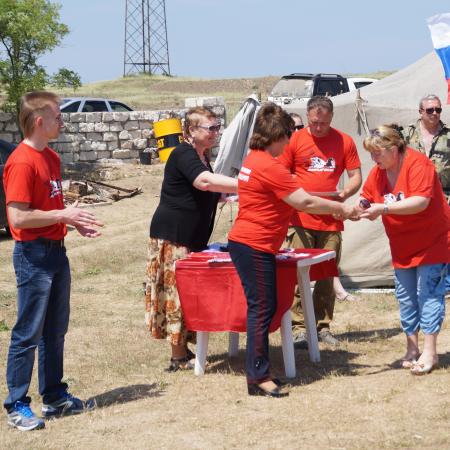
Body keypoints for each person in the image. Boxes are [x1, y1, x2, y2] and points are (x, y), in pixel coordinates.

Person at [228, 103, 354, 398]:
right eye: (288, 135)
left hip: (249, 243)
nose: (290, 142)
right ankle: (258, 376)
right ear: (278, 136)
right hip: (254, 244)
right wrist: (339, 208)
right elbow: (305, 202)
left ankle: (259, 372)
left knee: (264, 307)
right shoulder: (269, 166)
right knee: (262, 309)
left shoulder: (254, 159)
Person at [3, 91, 103, 431]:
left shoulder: (52, 158)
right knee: (27, 333)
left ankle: (54, 397)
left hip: (55, 252)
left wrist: (70, 222)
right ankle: (16, 404)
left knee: (55, 331)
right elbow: (17, 218)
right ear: (39, 121)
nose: (62, 121)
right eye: (58, 116)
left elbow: (47, 211)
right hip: (33, 255)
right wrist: (64, 214)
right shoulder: (21, 161)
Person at [146, 107, 238, 372]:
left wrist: (225, 197)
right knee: (177, 294)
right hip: (175, 236)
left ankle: (183, 348)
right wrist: (247, 183)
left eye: (217, 126)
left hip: (192, 237)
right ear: (191, 131)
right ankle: (178, 355)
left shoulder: (201, 155)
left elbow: (206, 191)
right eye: (210, 128)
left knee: (189, 293)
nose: (215, 132)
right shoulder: (183, 153)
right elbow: (204, 183)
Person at [358, 124, 449, 375]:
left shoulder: (419, 165)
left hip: (433, 241)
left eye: (378, 153)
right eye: (372, 154)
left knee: (428, 294)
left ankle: (430, 352)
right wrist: (361, 205)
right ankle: (411, 349)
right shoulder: (379, 171)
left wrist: (383, 209)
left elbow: (420, 202)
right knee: (406, 297)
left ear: (394, 148)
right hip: (402, 245)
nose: (374, 159)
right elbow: (368, 195)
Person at [279, 96, 362, 349]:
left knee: (327, 273)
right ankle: (298, 327)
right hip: (300, 217)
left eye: (323, 124)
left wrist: (345, 194)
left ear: (331, 118)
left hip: (331, 219)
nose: (318, 128)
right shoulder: (294, 140)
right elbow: (281, 173)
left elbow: (356, 175)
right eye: (314, 122)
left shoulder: (344, 141)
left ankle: (322, 325)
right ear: (307, 116)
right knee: (296, 272)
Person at [402, 94, 450, 296]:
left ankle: (445, 286)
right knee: (416, 241)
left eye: (438, 110)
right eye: (430, 110)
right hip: (414, 199)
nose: (435, 114)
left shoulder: (448, 135)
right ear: (420, 112)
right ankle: (417, 282)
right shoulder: (405, 135)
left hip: (444, 198)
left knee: (445, 242)